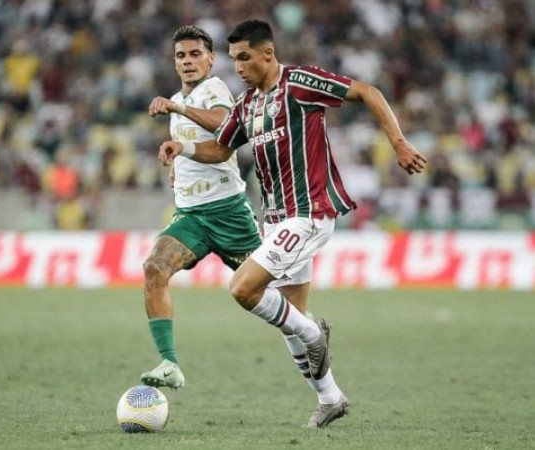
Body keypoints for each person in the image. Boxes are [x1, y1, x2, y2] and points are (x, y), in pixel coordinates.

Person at [158, 19, 428, 429]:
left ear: (268, 54)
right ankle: (331, 397)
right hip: (278, 219)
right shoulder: (248, 104)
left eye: (244, 58)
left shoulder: (299, 82)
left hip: (311, 212)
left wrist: (398, 141)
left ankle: (315, 332)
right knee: (289, 322)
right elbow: (220, 148)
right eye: (233, 60)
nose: (238, 67)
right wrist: (184, 147)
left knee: (245, 288)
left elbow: (366, 92)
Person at [139, 25, 262, 390]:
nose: (188, 61)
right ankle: (169, 363)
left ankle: (308, 333)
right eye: (181, 56)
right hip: (192, 214)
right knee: (154, 268)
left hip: (228, 213)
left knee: (267, 295)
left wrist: (179, 114)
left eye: (195, 54)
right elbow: (194, 147)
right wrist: (177, 158)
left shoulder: (214, 90)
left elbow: (225, 136)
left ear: (211, 58)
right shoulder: (182, 104)